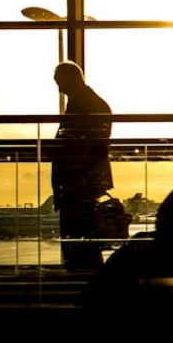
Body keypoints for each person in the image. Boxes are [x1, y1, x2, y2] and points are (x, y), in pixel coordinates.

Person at [50, 61, 113, 271]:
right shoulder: (90, 102)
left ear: (72, 78)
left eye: (60, 82)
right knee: (85, 241)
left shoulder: (84, 104)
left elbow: (83, 144)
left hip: (77, 182)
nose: (58, 87)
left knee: (78, 240)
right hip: (82, 182)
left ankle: (83, 282)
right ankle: (87, 282)